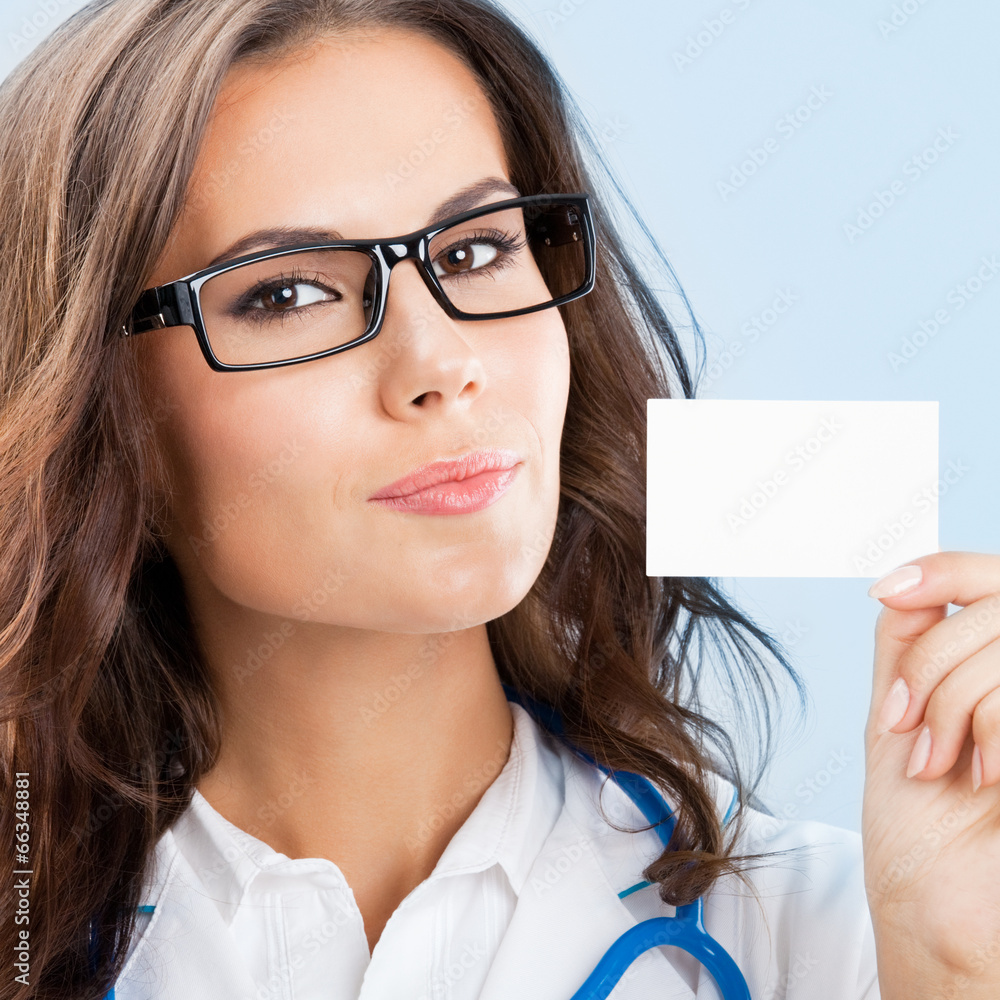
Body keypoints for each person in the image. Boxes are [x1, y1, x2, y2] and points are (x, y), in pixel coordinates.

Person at [2, 1, 1000, 998]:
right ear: (101, 399)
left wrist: (954, 971)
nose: (442, 364)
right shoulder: (25, 924)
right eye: (289, 291)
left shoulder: (854, 928)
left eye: (475, 251)